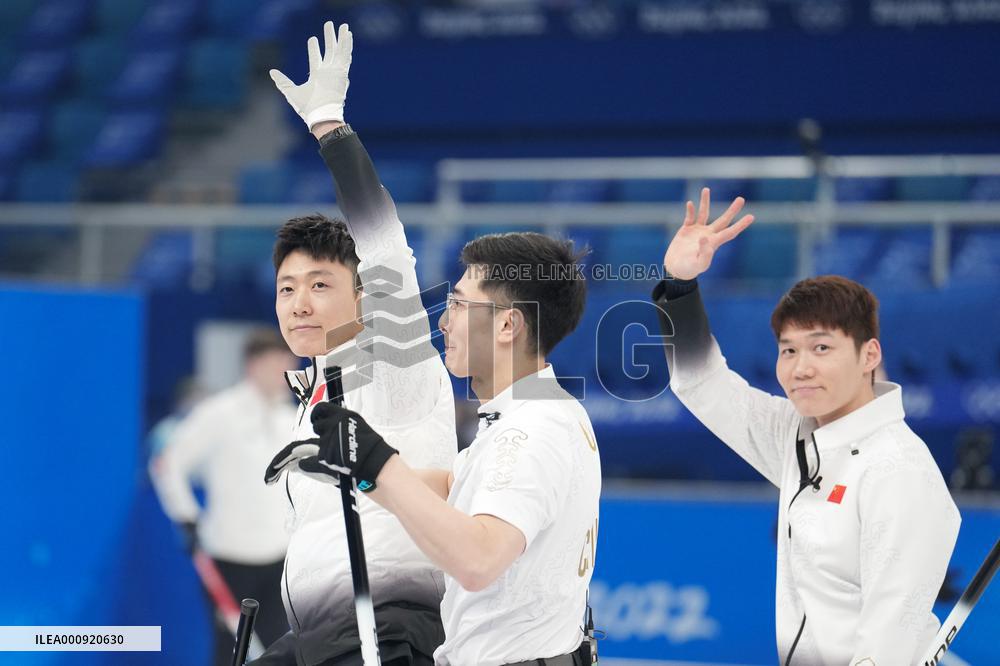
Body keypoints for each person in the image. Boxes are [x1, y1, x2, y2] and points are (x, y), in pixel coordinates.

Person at [651, 188, 961, 664]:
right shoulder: (798, 436)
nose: (800, 368)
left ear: (869, 356)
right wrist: (679, 286)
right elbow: (701, 384)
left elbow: (885, 646)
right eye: (788, 350)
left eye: (821, 348)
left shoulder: (900, 472)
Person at [271, 231, 602, 666]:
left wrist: (377, 462)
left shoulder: (531, 430)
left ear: (507, 324)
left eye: (460, 304)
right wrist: (353, 473)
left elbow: (480, 559)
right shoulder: (531, 414)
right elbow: (453, 485)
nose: (444, 321)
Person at [253, 21, 458, 666]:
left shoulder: (394, 363)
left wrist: (329, 132)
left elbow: (386, 250)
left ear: (365, 297)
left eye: (320, 284)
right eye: (288, 289)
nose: (300, 303)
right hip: (324, 629)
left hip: (384, 627)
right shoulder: (315, 387)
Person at [150, 328, 297, 665]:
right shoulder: (220, 413)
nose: (283, 372)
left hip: (281, 559)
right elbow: (168, 463)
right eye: (275, 363)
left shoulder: (293, 417)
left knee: (277, 650)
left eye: (287, 363)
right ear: (252, 365)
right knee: (231, 651)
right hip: (229, 560)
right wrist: (185, 515)